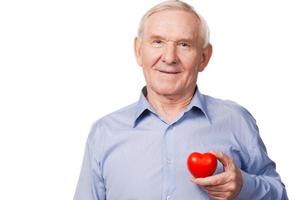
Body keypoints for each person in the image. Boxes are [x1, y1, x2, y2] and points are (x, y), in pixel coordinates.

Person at [74, 0, 288, 199]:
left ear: (203, 57)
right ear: (139, 51)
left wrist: (244, 186)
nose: (169, 57)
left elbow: (279, 194)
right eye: (157, 42)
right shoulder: (104, 132)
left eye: (184, 44)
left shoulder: (236, 120)